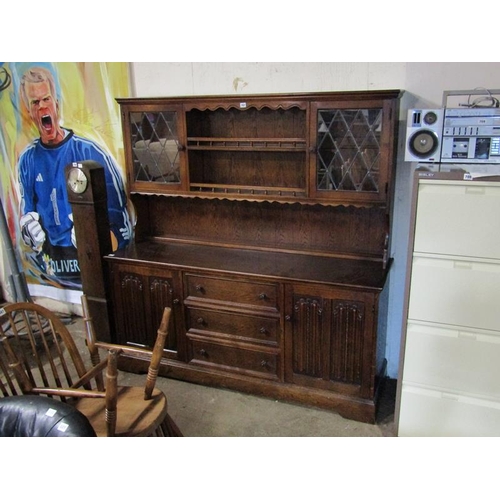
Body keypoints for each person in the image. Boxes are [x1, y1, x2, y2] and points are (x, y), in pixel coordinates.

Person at [17, 66, 132, 288]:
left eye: (45, 99)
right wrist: (28, 234)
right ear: (30, 112)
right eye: (34, 102)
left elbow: (123, 225)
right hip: (51, 276)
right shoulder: (28, 161)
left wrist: (96, 238)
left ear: (56, 104)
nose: (41, 107)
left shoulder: (91, 152)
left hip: (91, 271)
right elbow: (27, 216)